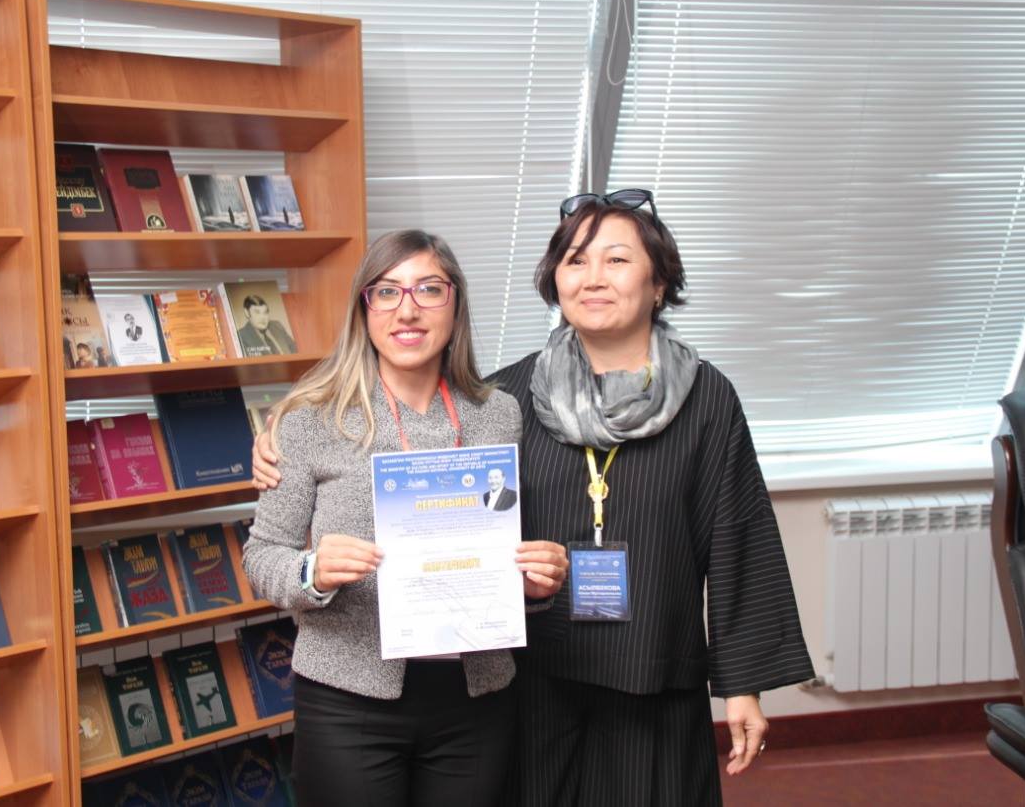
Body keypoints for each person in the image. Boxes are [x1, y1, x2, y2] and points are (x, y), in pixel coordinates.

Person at [253, 191, 813, 805]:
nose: (593, 278)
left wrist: (742, 686)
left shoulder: (701, 399)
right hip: (539, 681)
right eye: (576, 261)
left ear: (659, 284)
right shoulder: (515, 396)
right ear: (555, 281)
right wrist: (277, 439)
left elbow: (738, 539)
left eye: (617, 260)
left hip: (649, 669)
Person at [242, 229, 569, 807]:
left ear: (455, 304)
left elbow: (499, 545)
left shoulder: (500, 414)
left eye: (429, 289)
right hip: (348, 700)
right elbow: (262, 556)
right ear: (364, 309)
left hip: (477, 698)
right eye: (387, 292)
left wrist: (533, 586)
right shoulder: (308, 419)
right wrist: (311, 572)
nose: (408, 310)